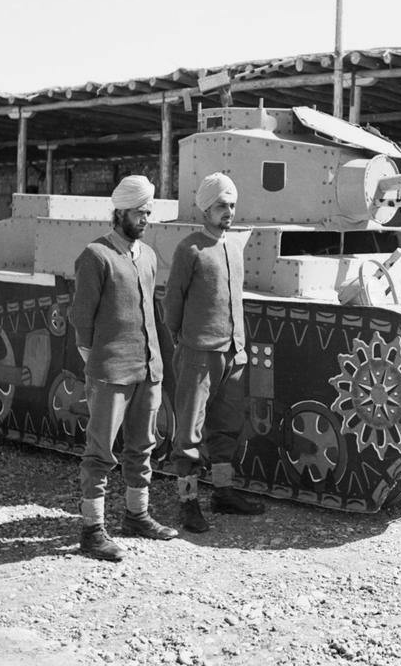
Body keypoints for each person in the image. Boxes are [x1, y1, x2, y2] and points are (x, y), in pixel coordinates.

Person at [70, 175, 178, 561]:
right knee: (99, 452)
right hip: (110, 372)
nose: (145, 218)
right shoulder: (95, 256)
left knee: (142, 446)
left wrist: (157, 364)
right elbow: (82, 322)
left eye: (148, 211)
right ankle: (92, 531)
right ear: (119, 213)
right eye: (139, 212)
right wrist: (98, 366)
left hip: (148, 369)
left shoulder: (148, 257)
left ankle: (137, 515)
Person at [163, 172, 264, 533]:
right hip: (198, 353)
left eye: (232, 205)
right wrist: (184, 340)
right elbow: (171, 303)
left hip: (233, 352)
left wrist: (239, 346)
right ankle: (188, 503)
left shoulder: (234, 247)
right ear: (205, 208)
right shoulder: (189, 248)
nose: (229, 212)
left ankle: (223, 492)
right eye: (221, 205)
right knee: (189, 430)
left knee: (227, 426)